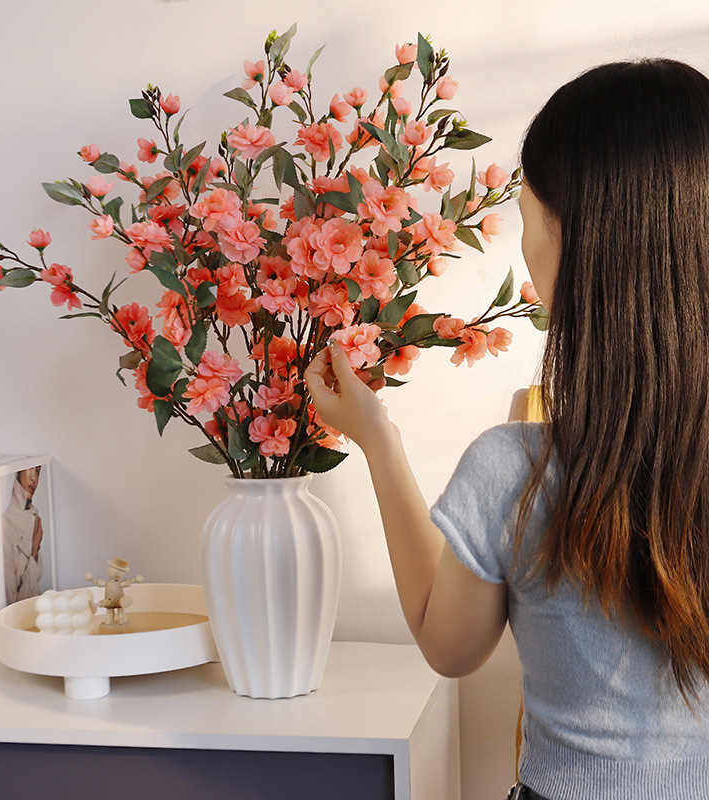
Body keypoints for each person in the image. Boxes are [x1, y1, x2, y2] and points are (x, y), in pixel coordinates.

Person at [304, 59, 709, 800]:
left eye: (527, 216)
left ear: (577, 248)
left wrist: (378, 443)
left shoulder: (517, 471)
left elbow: (449, 646)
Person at [3, 465, 45, 604]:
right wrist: (34, 550)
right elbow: (13, 602)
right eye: (30, 469)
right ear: (19, 471)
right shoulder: (6, 523)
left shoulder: (33, 516)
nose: (34, 478)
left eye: (37, 472)